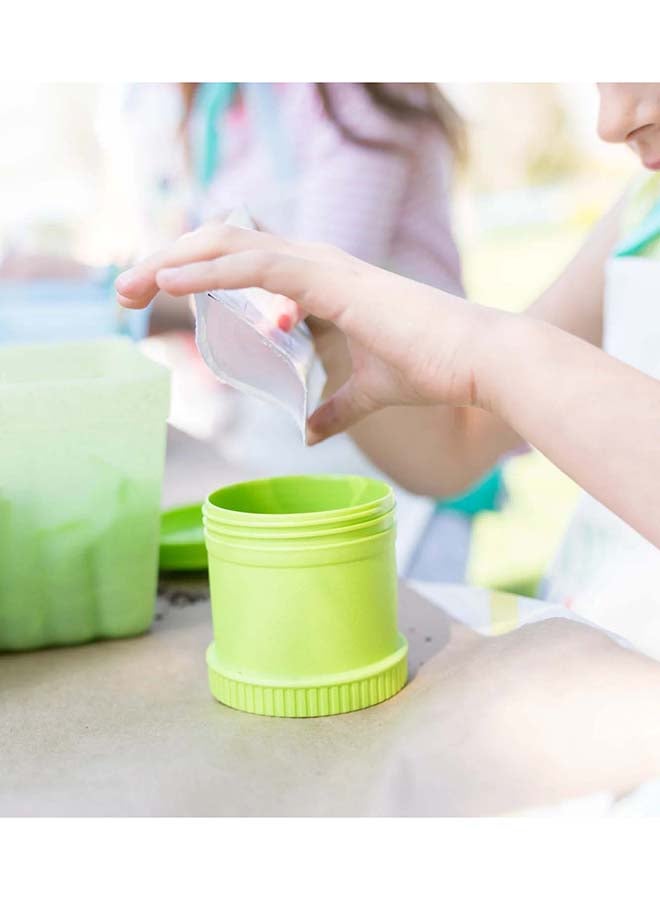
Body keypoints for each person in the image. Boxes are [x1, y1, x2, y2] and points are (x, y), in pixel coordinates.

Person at [117, 84, 660, 658]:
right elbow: (455, 448)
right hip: (600, 655)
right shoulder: (641, 210)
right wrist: (331, 330)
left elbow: (492, 367)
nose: (611, 121)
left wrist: (490, 352)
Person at [120, 82, 487, 573]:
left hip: (403, 465)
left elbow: (313, 290)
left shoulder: (349, 88)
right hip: (284, 450)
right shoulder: (215, 105)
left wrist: (130, 296)